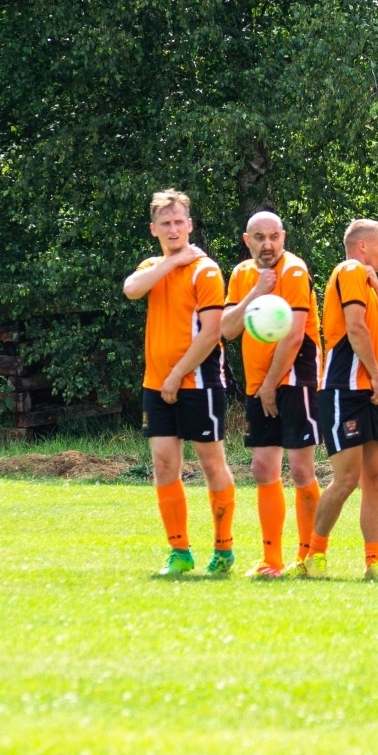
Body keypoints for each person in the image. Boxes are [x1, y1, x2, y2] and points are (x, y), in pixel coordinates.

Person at [122, 189, 238, 578]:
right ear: (154, 229)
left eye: (178, 222)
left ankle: (223, 549)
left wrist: (176, 375)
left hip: (199, 383)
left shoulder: (206, 270)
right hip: (156, 384)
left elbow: (211, 333)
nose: (173, 229)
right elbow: (131, 289)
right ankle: (179, 551)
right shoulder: (153, 267)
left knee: (211, 463)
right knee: (163, 463)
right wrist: (172, 262)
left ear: (189, 225)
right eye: (165, 223)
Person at [221, 211, 323, 579]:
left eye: (274, 237)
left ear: (283, 237)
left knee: (300, 469)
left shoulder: (294, 271)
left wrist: (271, 385)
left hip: (296, 378)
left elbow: (294, 336)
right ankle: (271, 560)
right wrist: (256, 293)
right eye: (259, 237)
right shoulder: (241, 274)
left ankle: (309, 556)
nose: (268, 244)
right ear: (247, 240)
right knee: (263, 469)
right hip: (258, 383)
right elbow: (227, 330)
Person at [303, 219, 378, 579]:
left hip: (373, 393)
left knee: (375, 479)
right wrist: (376, 373)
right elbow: (355, 327)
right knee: (347, 478)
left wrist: (377, 284)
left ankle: (373, 563)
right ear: (362, 246)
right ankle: (314, 555)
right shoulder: (349, 270)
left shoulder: (367, 282)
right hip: (344, 388)